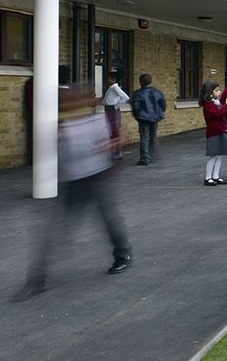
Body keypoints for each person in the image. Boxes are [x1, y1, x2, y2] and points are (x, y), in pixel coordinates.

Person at [16, 83, 132, 300]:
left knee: (109, 220)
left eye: (77, 100)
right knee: (53, 229)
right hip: (74, 181)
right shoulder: (61, 125)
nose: (73, 104)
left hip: (98, 177)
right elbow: (57, 152)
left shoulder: (98, 121)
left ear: (86, 102)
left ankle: (122, 253)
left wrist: (112, 144)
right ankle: (36, 279)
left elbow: (121, 141)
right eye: (68, 101)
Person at [199, 81, 227, 186]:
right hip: (213, 132)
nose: (219, 92)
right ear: (210, 93)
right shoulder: (208, 105)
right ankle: (208, 177)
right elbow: (218, 114)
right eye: (217, 90)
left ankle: (216, 176)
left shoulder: (217, 103)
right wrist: (226, 105)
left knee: (219, 155)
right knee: (213, 155)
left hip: (221, 131)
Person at [129, 73, 166, 166]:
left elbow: (135, 106)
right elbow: (163, 104)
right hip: (155, 117)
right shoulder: (157, 92)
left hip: (143, 118)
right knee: (153, 136)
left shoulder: (138, 93)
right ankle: (152, 155)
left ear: (140, 82)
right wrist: (160, 113)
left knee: (144, 137)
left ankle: (145, 158)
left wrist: (137, 115)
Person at [102, 70, 129, 160]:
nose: (107, 79)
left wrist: (116, 104)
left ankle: (117, 152)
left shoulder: (115, 88)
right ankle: (114, 151)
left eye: (108, 78)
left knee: (114, 131)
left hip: (112, 109)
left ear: (113, 79)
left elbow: (125, 97)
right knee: (111, 130)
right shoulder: (111, 88)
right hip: (109, 109)